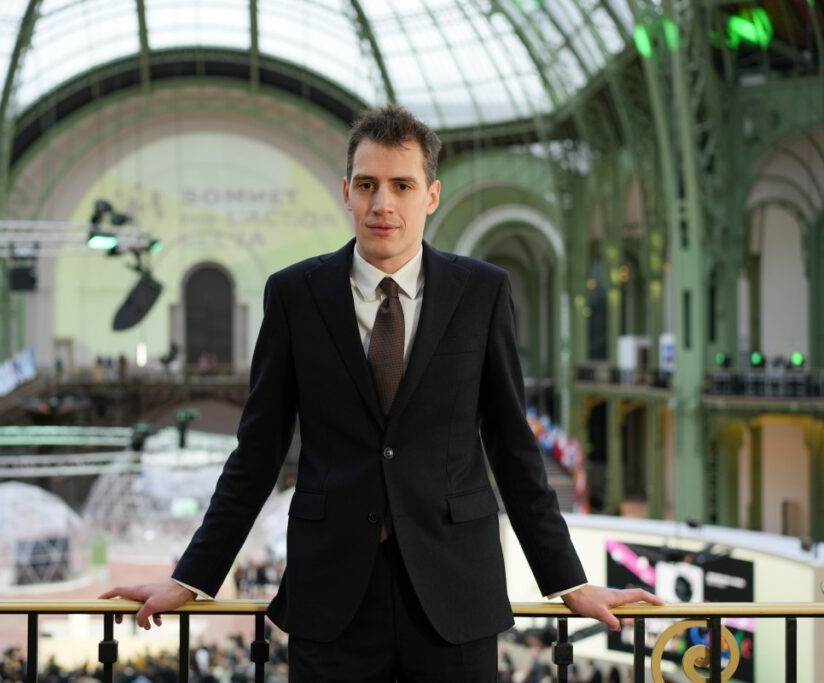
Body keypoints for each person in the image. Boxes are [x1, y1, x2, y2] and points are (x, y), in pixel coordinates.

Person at [101, 105, 661, 681]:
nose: (382, 203)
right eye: (367, 184)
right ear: (346, 190)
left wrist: (567, 580)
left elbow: (512, 445)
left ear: (432, 195)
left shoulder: (482, 292)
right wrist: (191, 576)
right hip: (333, 596)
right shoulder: (294, 294)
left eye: (401, 185)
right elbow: (258, 452)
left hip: (454, 591)